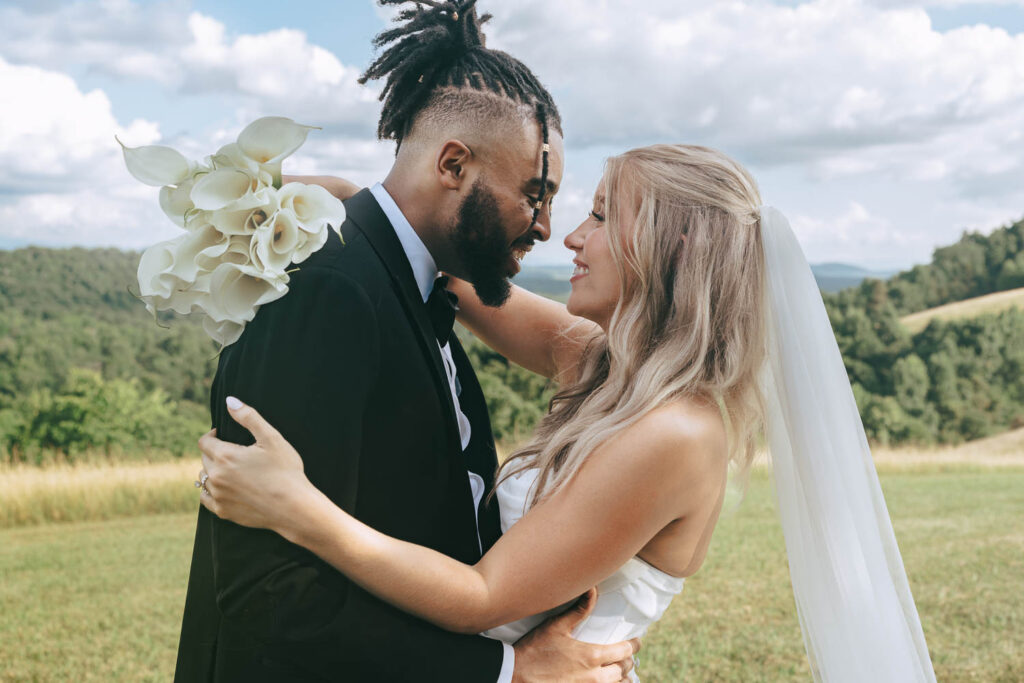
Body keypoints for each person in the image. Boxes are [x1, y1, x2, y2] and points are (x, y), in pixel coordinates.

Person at [197, 143, 938, 682]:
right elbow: (447, 273)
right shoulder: (600, 362)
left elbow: (480, 596)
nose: (572, 237)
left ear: (668, 248)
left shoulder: (679, 432)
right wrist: (359, 201)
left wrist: (298, 508)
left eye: (601, 215)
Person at [173, 2, 639, 681]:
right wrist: (505, 670)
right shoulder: (329, 284)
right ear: (453, 164)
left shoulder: (407, 277)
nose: (545, 226)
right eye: (534, 194)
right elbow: (267, 593)